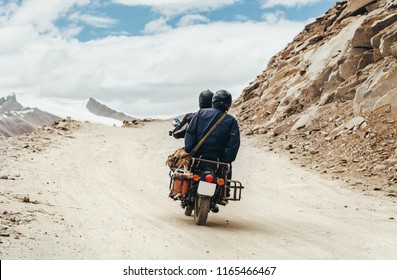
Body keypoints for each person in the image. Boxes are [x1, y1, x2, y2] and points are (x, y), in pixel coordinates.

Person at [184, 90, 240, 209]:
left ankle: (186, 192)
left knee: (189, 169)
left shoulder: (200, 114)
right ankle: (224, 194)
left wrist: (189, 149)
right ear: (228, 104)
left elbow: (190, 133)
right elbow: (233, 143)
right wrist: (226, 159)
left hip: (198, 155)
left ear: (213, 100)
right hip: (219, 159)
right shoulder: (231, 120)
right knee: (226, 170)